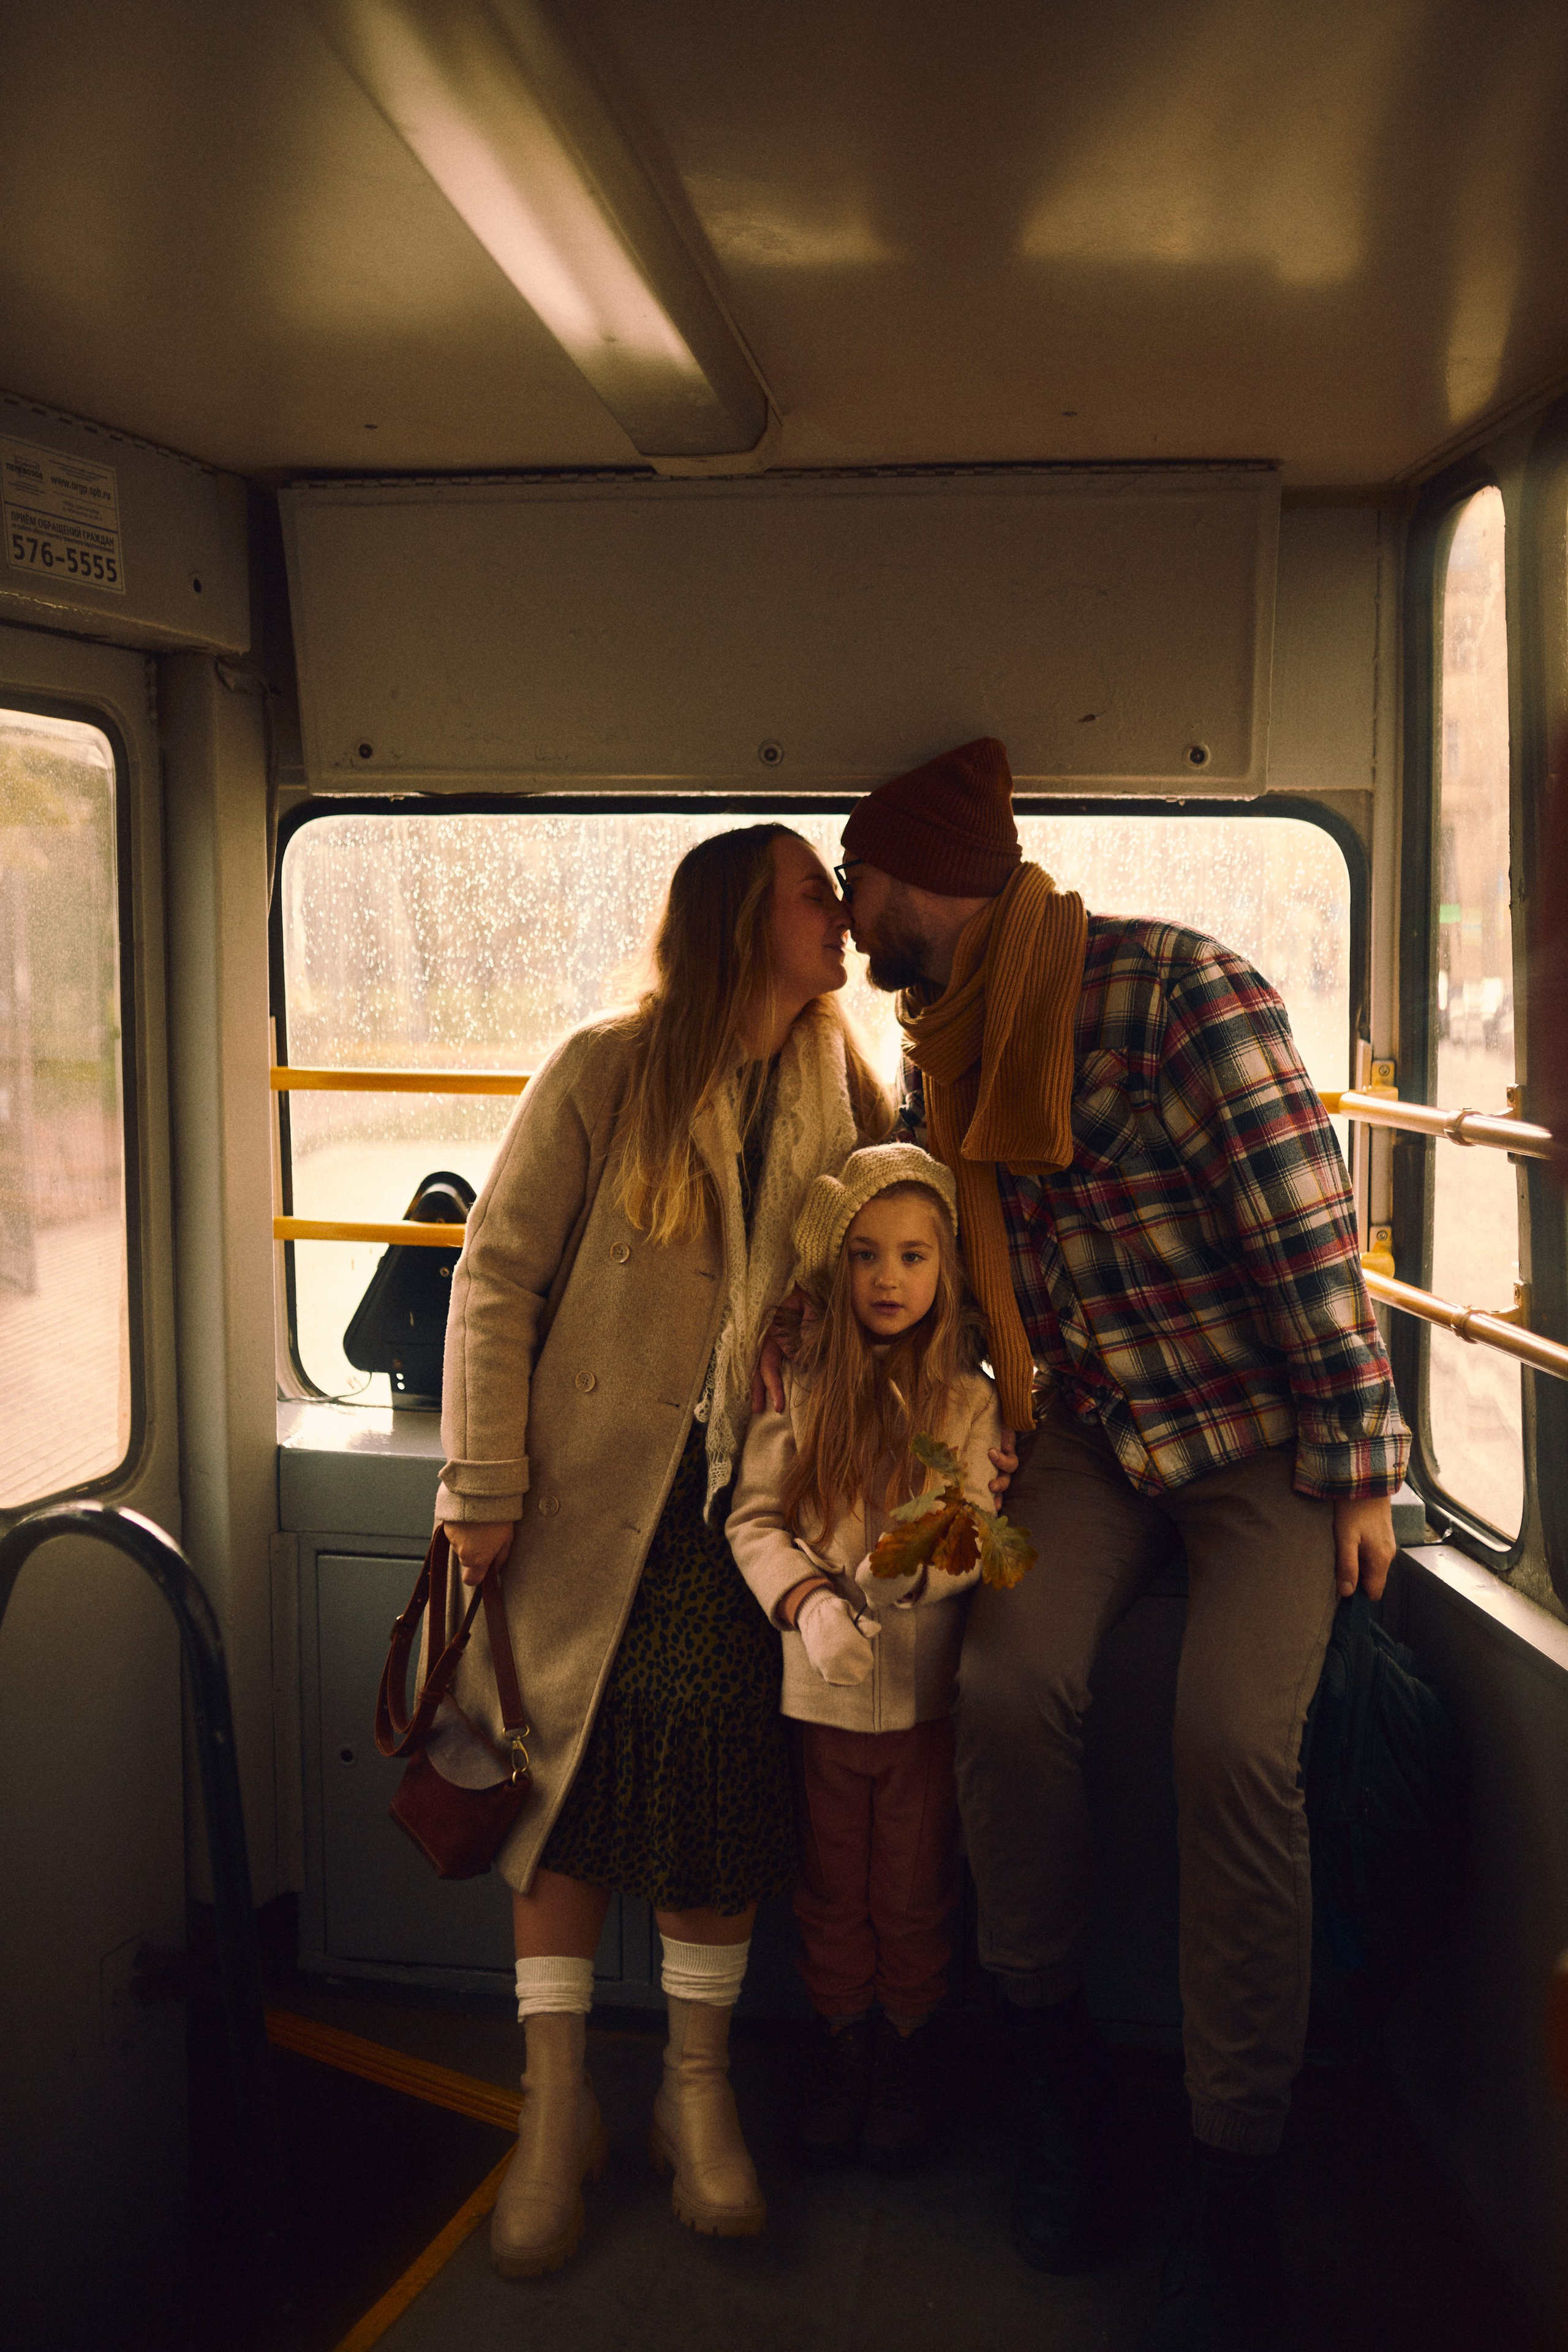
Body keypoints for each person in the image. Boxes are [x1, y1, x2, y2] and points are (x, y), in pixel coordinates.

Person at [834, 738, 1409, 2351]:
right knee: (1008, 1695)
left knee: (1232, 1742)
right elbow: (940, 1255)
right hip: (1080, 1437)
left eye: (858, 878)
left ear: (921, 876)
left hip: (1259, 1443)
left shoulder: (1178, 999)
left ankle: (1237, 2174)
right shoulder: (938, 1048)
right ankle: (1056, 2073)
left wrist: (1360, 1465)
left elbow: (1307, 1245)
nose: (851, 911)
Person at [432, 825, 889, 2278]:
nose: (842, 918)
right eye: (815, 897)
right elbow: (495, 1274)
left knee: (709, 1764)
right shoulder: (603, 1071)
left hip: (744, 1509)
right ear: (739, 923)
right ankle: (552, 2108)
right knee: (549, 1786)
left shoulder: (845, 1077)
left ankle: (696, 2095)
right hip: (575, 1502)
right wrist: (480, 1486)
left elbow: (895, 1252)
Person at [728, 1145, 1001, 2171]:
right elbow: (756, 1519)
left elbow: (972, 1525)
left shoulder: (968, 1404)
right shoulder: (799, 1385)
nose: (891, 1280)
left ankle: (908, 2049)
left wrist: (910, 1569)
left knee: (917, 1885)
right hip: (822, 1698)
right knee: (833, 1883)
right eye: (869, 1256)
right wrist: (807, 1604)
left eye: (916, 1257)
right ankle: (845, 2046)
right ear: (834, 1268)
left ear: (947, 1271)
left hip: (925, 1698)